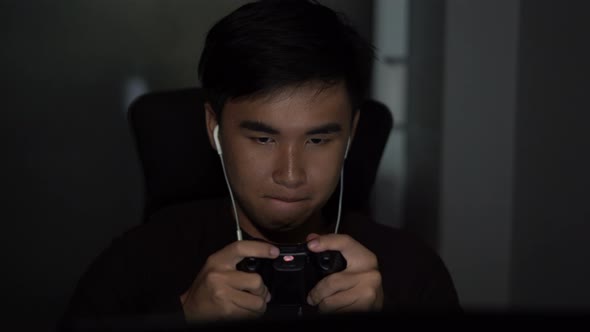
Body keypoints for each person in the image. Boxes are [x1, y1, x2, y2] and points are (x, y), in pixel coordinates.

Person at [58, 0, 461, 330]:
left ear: (352, 133)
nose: (290, 174)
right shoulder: (138, 262)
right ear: (214, 127)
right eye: (263, 138)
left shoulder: (412, 271)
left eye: (318, 139)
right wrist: (179, 317)